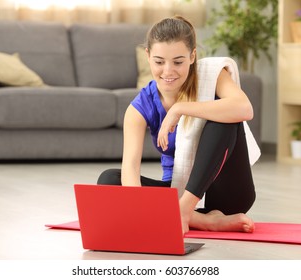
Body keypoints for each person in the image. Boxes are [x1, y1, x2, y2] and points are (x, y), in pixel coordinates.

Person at [97, 15, 256, 235]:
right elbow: (130, 170)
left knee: (224, 119)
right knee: (109, 180)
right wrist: (135, 207)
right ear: (148, 56)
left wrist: (180, 109)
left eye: (178, 62)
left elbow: (244, 109)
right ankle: (205, 221)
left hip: (227, 193)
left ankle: (184, 212)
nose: (168, 71)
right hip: (176, 190)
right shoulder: (139, 108)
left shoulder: (211, 75)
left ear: (192, 56)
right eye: (159, 62)